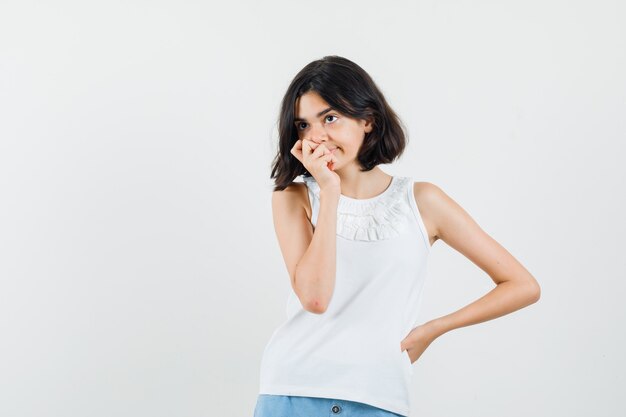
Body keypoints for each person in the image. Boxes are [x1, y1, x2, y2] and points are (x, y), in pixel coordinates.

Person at [253, 55, 541, 417]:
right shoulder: (293, 198)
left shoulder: (422, 201)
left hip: (380, 397)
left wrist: (433, 330)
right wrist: (329, 192)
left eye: (330, 118)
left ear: (368, 120)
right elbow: (315, 298)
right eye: (303, 125)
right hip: (292, 392)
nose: (316, 136)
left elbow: (522, 285)